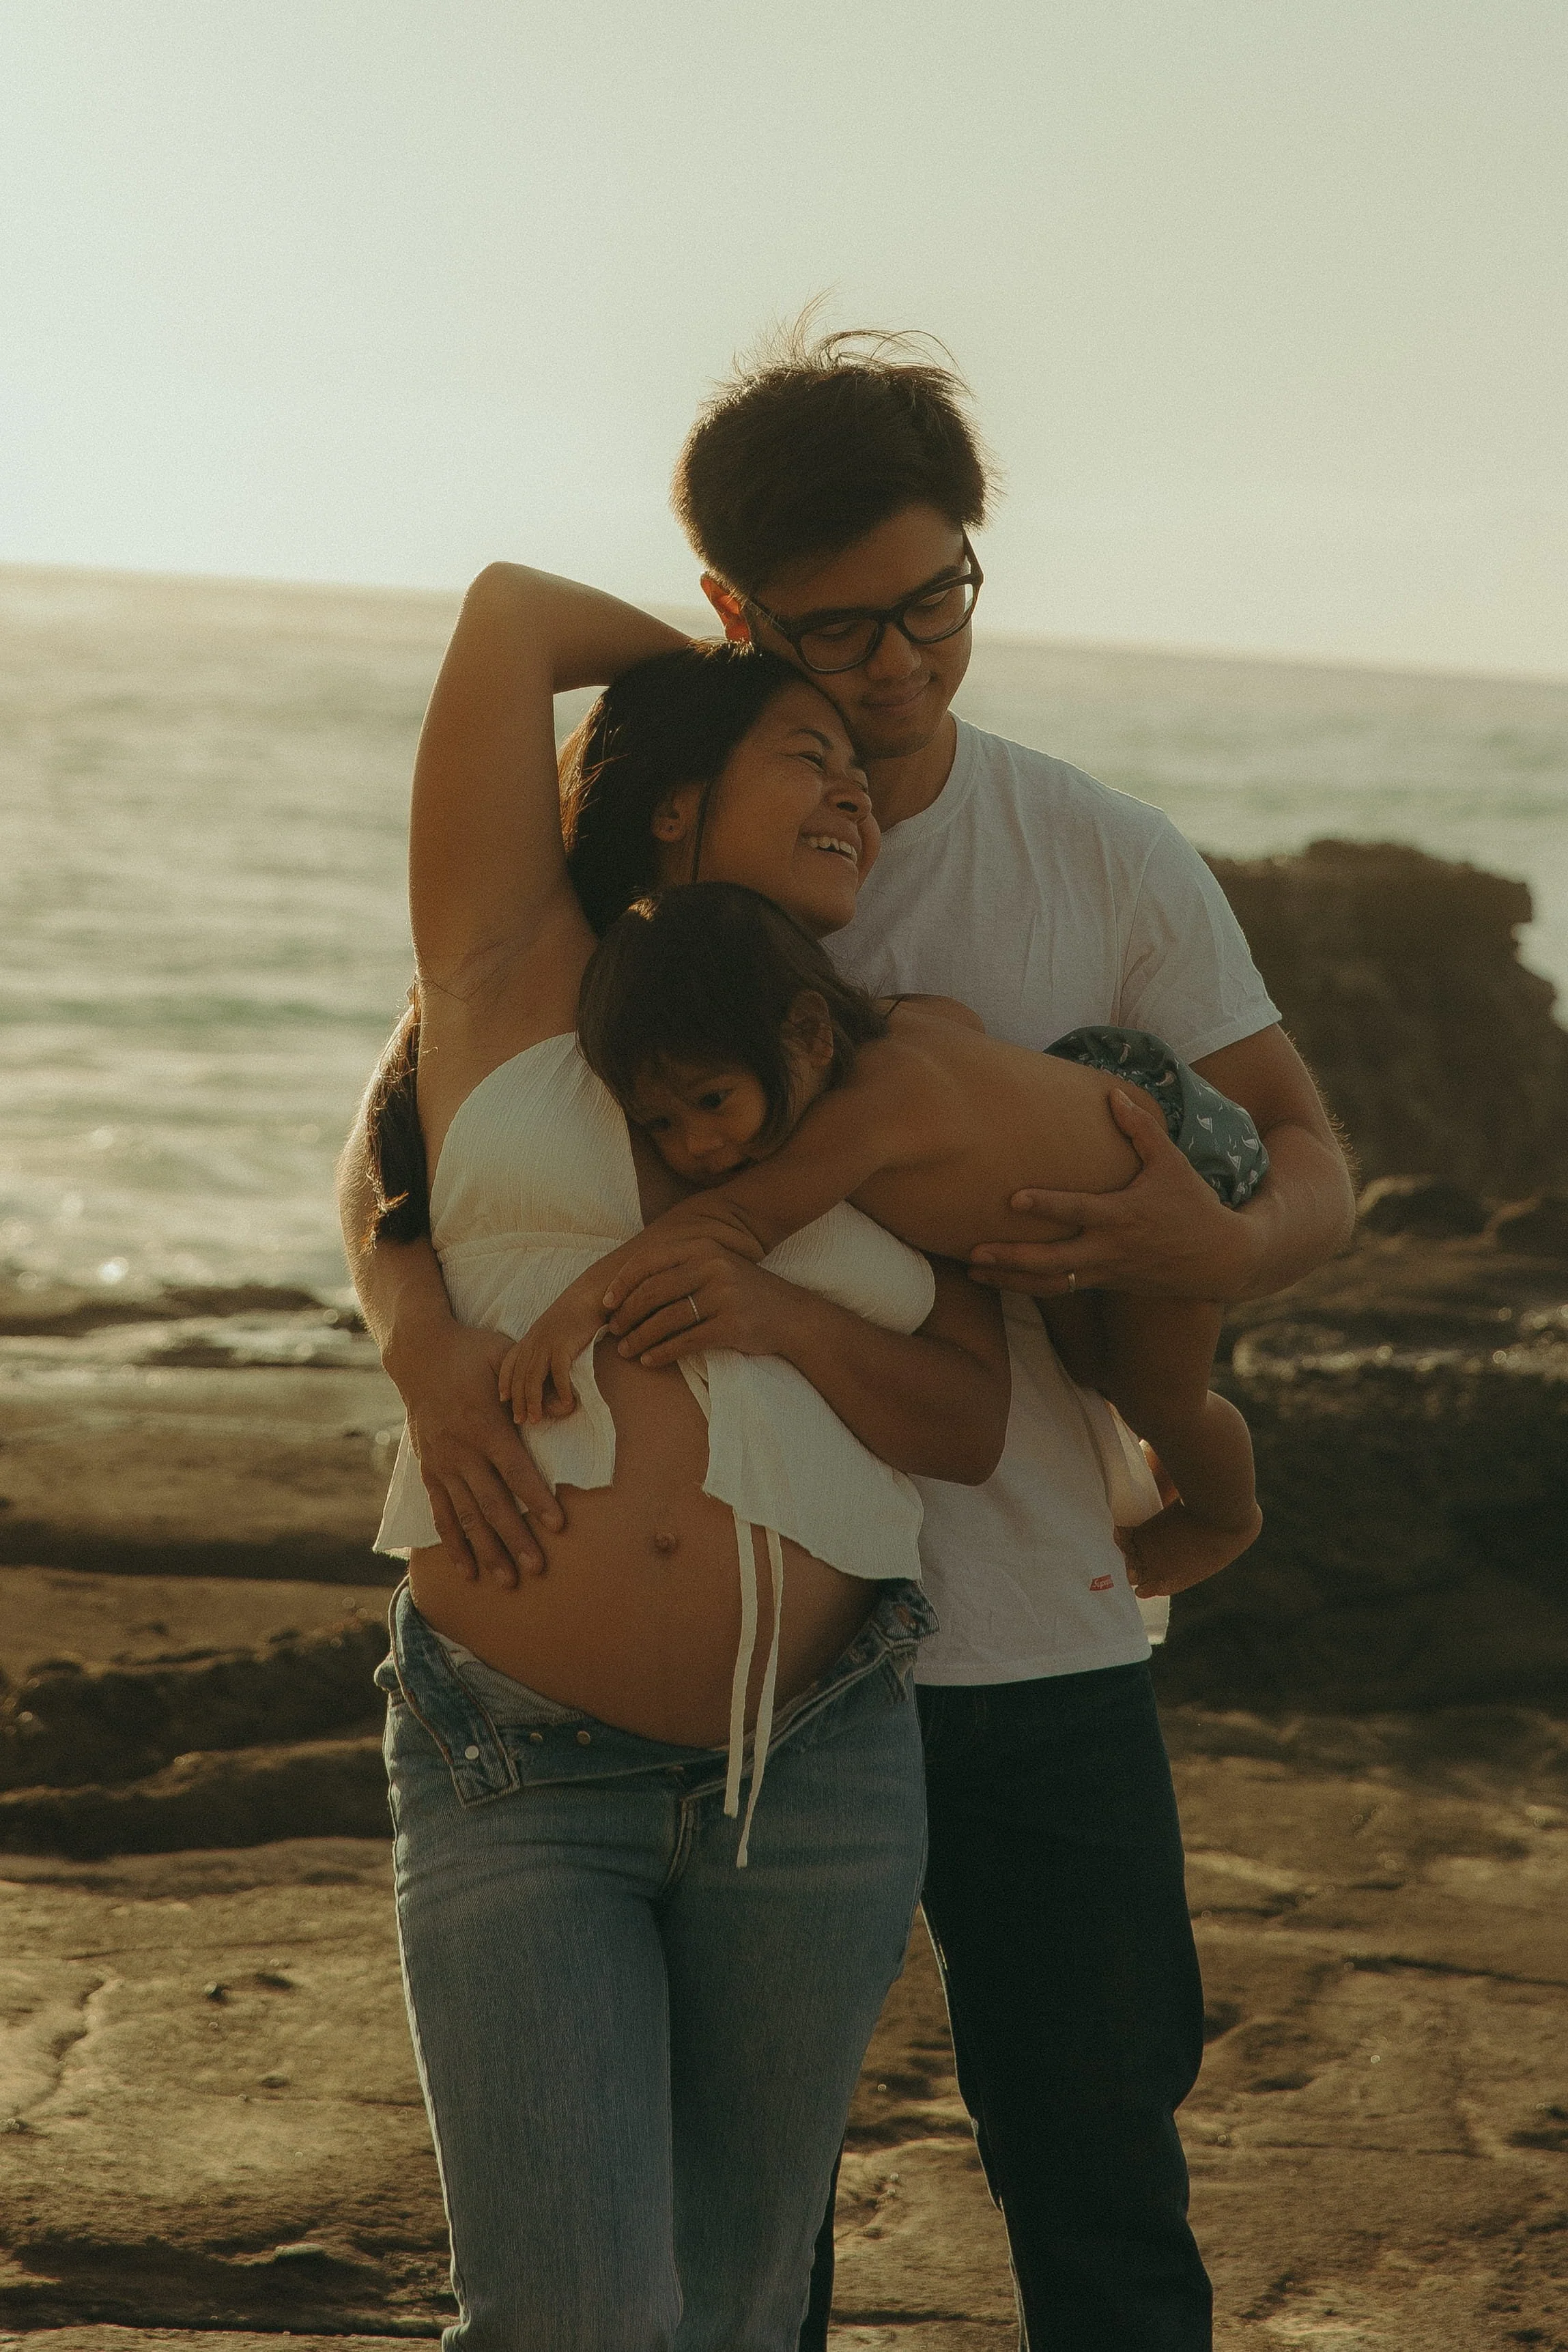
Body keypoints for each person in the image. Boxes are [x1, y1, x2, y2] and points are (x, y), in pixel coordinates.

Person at [341, 326, 1356, 2351]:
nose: (890, 673)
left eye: (934, 603)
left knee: (1096, 2178)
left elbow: (1302, 1156)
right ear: (736, 619)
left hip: (1024, 1633)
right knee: (732, 2269)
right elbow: (404, 1149)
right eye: (832, 638)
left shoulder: (1083, 861)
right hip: (740, 1690)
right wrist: (414, 1333)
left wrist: (1208, 1242)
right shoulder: (599, 939)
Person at [346, 571, 1012, 2347]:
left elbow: (969, 1415)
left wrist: (781, 1310)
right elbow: (501, 620)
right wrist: (726, 671)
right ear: (669, 798)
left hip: (820, 1762)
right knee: (569, 2312)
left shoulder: (864, 1053)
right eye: (812, 753)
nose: (857, 783)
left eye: (861, 767)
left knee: (733, 2308)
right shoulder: (509, 973)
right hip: (515, 1760)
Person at [507, 877, 1268, 1602]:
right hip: (1088, 1154)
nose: (696, 1147)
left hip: (1165, 1181)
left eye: (712, 1100)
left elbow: (731, 1223)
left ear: (808, 1031)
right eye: (659, 1124)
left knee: (1156, 1395)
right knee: (1094, 1367)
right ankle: (1171, 1458)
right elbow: (956, 1017)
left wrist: (576, 1307)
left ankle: (1225, 1515)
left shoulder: (870, 1112)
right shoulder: (884, 1033)